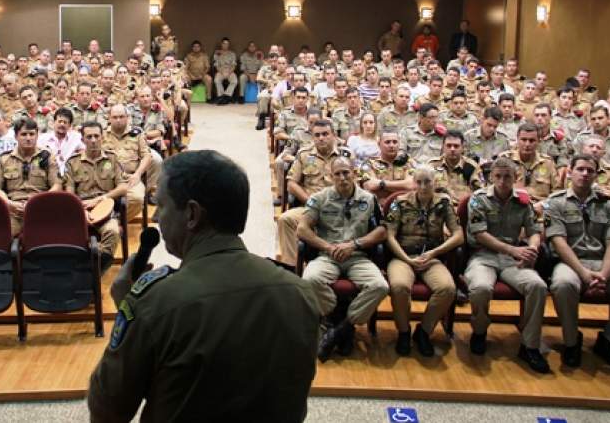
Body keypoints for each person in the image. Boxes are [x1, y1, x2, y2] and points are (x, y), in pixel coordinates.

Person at [87, 150, 319, 422]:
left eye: (161, 206)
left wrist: (129, 310)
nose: (156, 218)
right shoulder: (299, 293)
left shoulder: (156, 303)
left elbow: (107, 411)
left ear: (192, 214)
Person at [544, 154, 610, 370]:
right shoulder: (556, 202)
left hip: (603, 262)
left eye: (590, 171)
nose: (585, 174)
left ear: (596, 175)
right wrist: (583, 273)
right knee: (563, 284)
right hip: (570, 263)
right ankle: (571, 341)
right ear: (570, 172)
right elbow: (559, 242)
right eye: (580, 169)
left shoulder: (607, 204)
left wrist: (604, 274)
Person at [298, 156, 389, 361]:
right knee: (309, 279)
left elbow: (382, 231)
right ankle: (338, 317)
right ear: (330, 177)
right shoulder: (319, 198)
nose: (342, 177)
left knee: (380, 286)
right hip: (327, 256)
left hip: (357, 256)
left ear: (354, 173)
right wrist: (328, 247)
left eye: (346, 172)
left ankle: (342, 326)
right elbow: (302, 229)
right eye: (337, 174)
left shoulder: (369, 199)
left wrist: (355, 244)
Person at [464, 157, 549, 373]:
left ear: (515, 177)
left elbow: (534, 230)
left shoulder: (523, 201)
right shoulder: (478, 199)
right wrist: (512, 250)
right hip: (484, 256)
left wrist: (532, 248)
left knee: (537, 286)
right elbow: (480, 234)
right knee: (480, 288)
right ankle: (479, 331)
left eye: (507, 177)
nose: (502, 181)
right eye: (498, 176)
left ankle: (530, 345)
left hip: (513, 260)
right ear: (491, 177)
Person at [385, 166, 462, 356]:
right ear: (413, 183)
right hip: (403, 257)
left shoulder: (443, 203)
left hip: (431, 257)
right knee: (399, 286)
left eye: (427, 182)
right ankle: (404, 332)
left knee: (447, 289)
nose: (423, 186)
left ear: (435, 182)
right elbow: (389, 236)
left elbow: (458, 235)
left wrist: (435, 252)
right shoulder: (400, 203)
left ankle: (424, 331)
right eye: (419, 182)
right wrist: (406, 258)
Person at [276, 119, 347, 266]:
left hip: (341, 208)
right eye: (317, 135)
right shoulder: (304, 155)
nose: (321, 138)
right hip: (311, 208)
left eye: (325, 134)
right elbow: (291, 184)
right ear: (312, 137)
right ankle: (291, 267)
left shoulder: (345, 156)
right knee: (285, 219)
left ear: (334, 135)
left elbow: (357, 185)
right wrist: (311, 202)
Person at [63, 122, 128, 270]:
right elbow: (69, 193)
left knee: (113, 231)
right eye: (89, 137)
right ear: (83, 139)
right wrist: (80, 211)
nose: (93, 140)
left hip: (106, 210)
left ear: (102, 137)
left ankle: (95, 268)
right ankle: (90, 266)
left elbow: (123, 187)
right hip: (81, 210)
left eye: (96, 136)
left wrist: (101, 198)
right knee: (66, 235)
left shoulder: (112, 158)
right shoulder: (73, 162)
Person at [0, 118, 60, 236]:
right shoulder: (4, 159)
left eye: (32, 134)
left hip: (40, 210)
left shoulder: (47, 157)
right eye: (23, 134)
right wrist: (9, 203)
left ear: (37, 135)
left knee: (49, 238)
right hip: (13, 211)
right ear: (16, 136)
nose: (28, 138)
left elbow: (57, 186)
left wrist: (39, 202)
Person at [102, 104, 153, 223]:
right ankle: (102, 222)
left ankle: (116, 223)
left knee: (137, 199)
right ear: (109, 118)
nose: (118, 120)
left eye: (121, 117)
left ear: (127, 117)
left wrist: (138, 174)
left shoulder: (137, 134)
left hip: (129, 178)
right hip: (106, 178)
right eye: (115, 117)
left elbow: (147, 156)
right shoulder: (102, 134)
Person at [429, 130, 485, 203]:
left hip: (462, 207)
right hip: (439, 206)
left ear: (462, 148)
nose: (452, 149)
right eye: (449, 145)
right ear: (443, 147)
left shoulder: (471, 167)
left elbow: (481, 193)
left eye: (456, 146)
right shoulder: (433, 165)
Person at [38, 108, 85, 175]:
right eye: (59, 121)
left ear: (70, 125)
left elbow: (85, 151)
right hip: (48, 174)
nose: (62, 124)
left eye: (65, 122)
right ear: (54, 122)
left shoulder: (76, 137)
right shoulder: (43, 138)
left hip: (70, 175)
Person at [212, 38, 239, 104]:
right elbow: (216, 65)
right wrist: (222, 72)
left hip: (230, 71)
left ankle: (226, 96)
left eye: (227, 44)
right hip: (220, 71)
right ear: (221, 44)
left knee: (234, 81)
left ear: (228, 45)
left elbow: (234, 65)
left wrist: (229, 72)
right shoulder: (217, 53)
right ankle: (221, 96)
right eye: (224, 44)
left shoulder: (232, 54)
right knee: (217, 80)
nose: (225, 45)